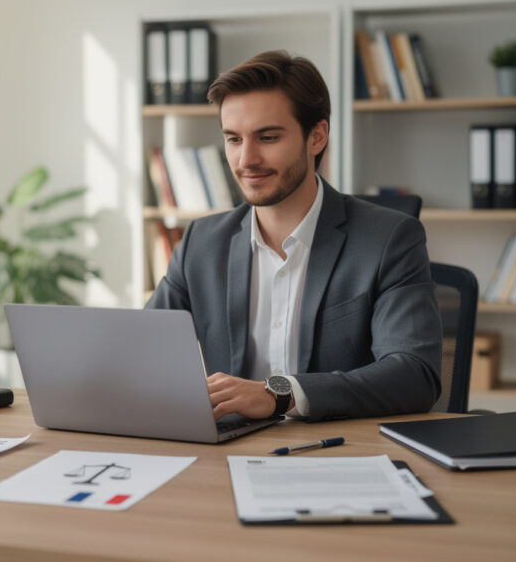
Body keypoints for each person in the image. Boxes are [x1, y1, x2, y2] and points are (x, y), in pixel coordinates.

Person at [146, 50, 442, 422]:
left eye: (267, 137)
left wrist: (278, 395)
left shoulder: (390, 239)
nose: (245, 160)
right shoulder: (201, 243)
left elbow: (415, 375)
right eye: (234, 139)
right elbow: (142, 357)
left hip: (339, 454)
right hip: (227, 453)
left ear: (316, 137)